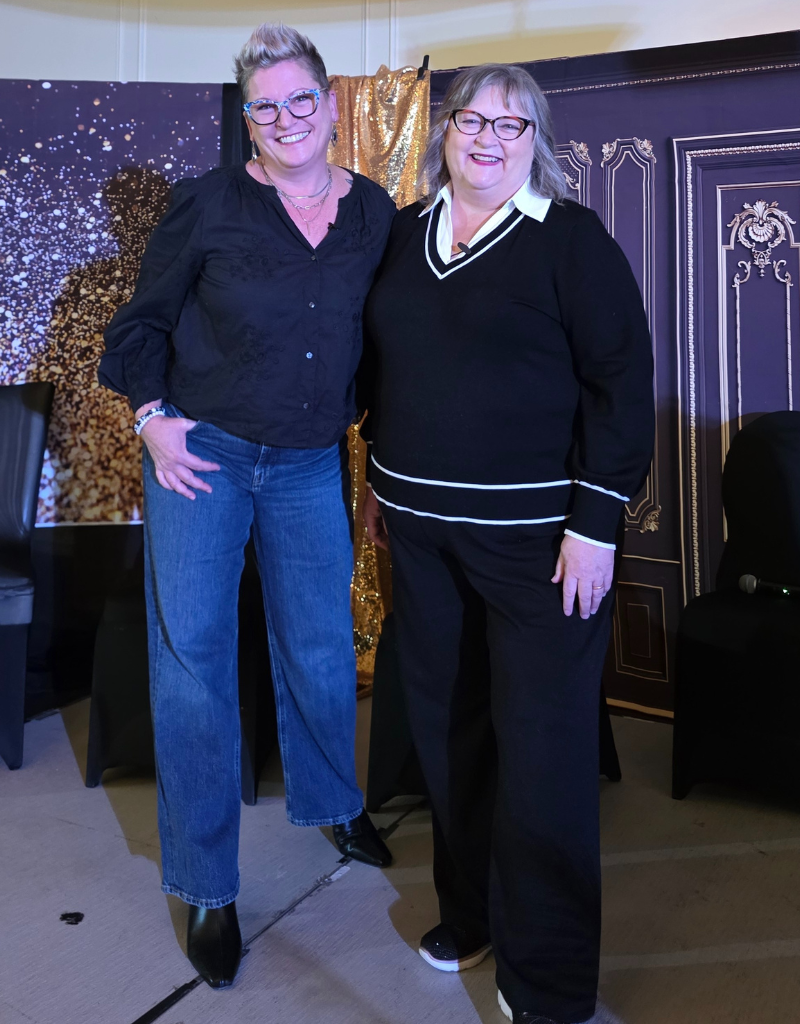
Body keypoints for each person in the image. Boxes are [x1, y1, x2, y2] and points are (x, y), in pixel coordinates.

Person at [98, 23, 395, 990]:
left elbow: (387, 341)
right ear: (249, 120)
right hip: (206, 458)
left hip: (310, 462)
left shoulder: (373, 212)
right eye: (265, 106)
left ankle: (334, 803)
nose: (285, 118)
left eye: (300, 99)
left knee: (321, 646)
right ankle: (208, 887)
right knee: (194, 665)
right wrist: (152, 419)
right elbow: (140, 325)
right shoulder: (208, 203)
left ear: (330, 105)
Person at [362, 63, 654, 1024]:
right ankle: (473, 914)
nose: (487, 138)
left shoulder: (569, 239)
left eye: (510, 124)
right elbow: (386, 368)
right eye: (471, 119)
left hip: (542, 548)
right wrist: (380, 489)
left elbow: (621, 384)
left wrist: (596, 523)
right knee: (452, 736)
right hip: (421, 535)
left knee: (543, 756)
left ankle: (550, 982)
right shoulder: (403, 232)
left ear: (536, 141)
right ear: (444, 131)